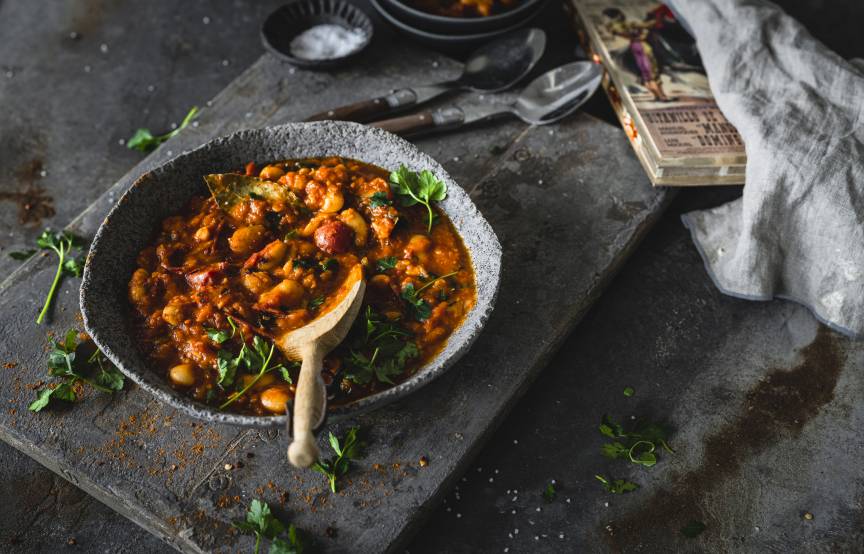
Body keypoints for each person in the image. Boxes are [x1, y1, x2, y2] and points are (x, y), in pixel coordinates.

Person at [603, 7, 671, 101]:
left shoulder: (617, 26)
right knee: (651, 70)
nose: (622, 16)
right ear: (617, 16)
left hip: (636, 46)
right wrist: (655, 21)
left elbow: (643, 26)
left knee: (646, 72)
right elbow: (643, 27)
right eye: (620, 15)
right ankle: (661, 95)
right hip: (641, 46)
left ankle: (658, 95)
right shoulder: (620, 26)